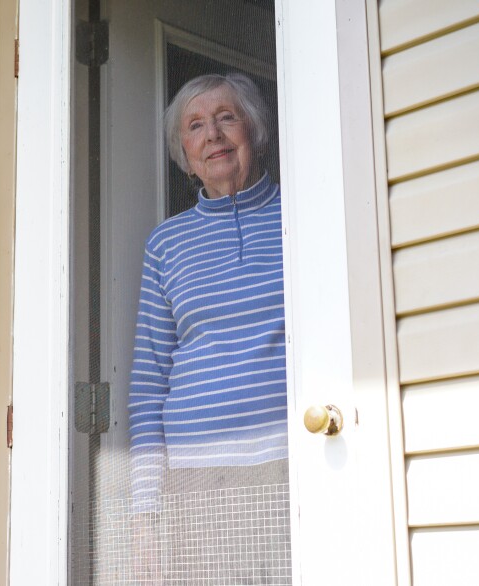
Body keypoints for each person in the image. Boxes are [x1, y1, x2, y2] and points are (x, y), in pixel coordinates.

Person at [128, 72, 290, 585]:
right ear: (185, 151)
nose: (213, 135)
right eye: (196, 125)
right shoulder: (166, 245)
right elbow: (149, 383)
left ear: (254, 130)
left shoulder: (305, 214)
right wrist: (144, 513)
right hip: (197, 480)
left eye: (227, 117)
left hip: (294, 461)